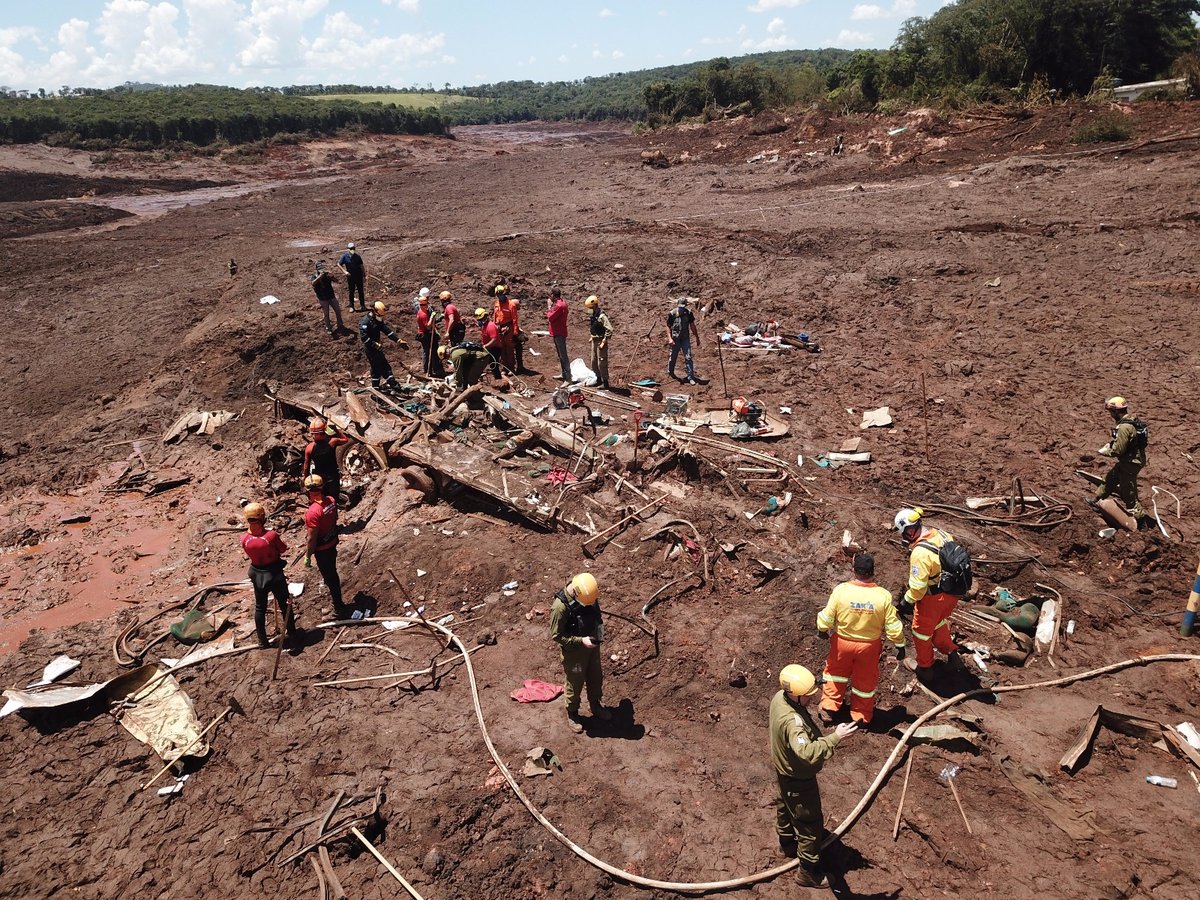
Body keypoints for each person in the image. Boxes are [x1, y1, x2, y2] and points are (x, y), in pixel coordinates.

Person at [770, 664, 857, 887]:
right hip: (799, 780)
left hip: (783, 772)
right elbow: (807, 754)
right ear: (796, 696)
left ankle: (786, 845)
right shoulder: (793, 723)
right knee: (809, 825)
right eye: (808, 696)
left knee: (785, 807)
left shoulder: (780, 697)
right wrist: (835, 737)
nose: (812, 698)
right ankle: (807, 873)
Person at [816, 553, 905, 726]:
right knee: (865, 679)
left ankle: (828, 707)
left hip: (842, 642)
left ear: (853, 570)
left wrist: (822, 629)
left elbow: (827, 616)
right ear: (873, 572)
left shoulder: (841, 591)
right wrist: (900, 644)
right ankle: (861, 715)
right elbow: (893, 626)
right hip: (869, 646)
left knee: (835, 673)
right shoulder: (883, 596)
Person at [895, 507, 965, 677]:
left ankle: (925, 668)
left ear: (909, 532)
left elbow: (918, 589)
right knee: (939, 622)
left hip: (933, 598)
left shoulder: (920, 553)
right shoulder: (941, 534)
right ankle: (952, 654)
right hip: (952, 593)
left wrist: (906, 601)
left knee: (921, 632)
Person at [549, 572, 610, 733]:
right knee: (575, 682)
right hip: (574, 652)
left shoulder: (588, 594)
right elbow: (557, 635)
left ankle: (595, 704)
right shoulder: (559, 608)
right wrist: (580, 641)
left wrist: (599, 635)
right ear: (575, 593)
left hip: (592, 645)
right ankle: (573, 713)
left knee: (595, 676)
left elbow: (597, 615)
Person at [239, 502, 301, 650]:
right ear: (262, 518)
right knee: (285, 603)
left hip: (256, 573)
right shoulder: (270, 536)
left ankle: (262, 641)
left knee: (260, 607)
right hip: (273, 573)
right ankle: (291, 632)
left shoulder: (244, 539)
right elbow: (283, 548)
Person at [1094, 396, 1147, 519]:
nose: (1110, 414)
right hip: (1132, 460)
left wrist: (1105, 452)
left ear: (1116, 412)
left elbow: (1118, 450)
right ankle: (1096, 500)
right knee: (1111, 478)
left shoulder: (1124, 427)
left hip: (1130, 463)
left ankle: (1140, 519)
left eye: (1111, 412)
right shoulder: (1132, 420)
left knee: (1128, 492)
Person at [303, 474, 347, 619]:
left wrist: (308, 555)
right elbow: (335, 519)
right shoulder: (332, 501)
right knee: (331, 575)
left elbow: (311, 538)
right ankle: (337, 604)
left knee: (331, 578)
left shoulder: (313, 512)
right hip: (332, 542)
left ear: (308, 490)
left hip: (322, 550)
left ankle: (338, 609)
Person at [303, 418, 350, 505]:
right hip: (333, 475)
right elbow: (345, 439)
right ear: (324, 430)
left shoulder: (309, 448)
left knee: (321, 500)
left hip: (319, 478)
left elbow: (306, 467)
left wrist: (305, 481)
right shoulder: (332, 441)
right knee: (333, 499)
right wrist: (335, 429)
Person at [360, 301, 404, 389]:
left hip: (376, 347)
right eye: (380, 315)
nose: (381, 317)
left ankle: (375, 387)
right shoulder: (365, 322)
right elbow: (364, 338)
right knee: (384, 366)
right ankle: (393, 384)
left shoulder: (377, 319)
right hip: (370, 349)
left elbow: (386, 330)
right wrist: (374, 344)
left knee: (375, 368)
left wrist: (397, 339)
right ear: (374, 311)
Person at [666, 297, 701, 385]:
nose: (681, 308)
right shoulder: (672, 313)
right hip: (675, 339)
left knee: (688, 357)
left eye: (683, 306)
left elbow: (692, 326)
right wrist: (670, 338)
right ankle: (670, 372)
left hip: (685, 338)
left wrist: (697, 337)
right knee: (673, 356)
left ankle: (690, 377)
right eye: (680, 306)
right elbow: (668, 326)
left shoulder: (689, 313)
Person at [309, 262, 346, 335]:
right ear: (317, 269)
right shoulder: (314, 276)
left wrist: (332, 276)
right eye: (319, 269)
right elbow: (313, 283)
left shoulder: (327, 274)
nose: (321, 270)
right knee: (326, 314)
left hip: (331, 297)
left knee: (338, 310)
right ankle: (328, 328)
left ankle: (340, 324)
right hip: (323, 298)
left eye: (322, 268)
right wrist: (320, 276)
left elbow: (337, 281)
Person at [584, 294, 612, 388]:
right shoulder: (593, 314)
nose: (589, 310)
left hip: (601, 341)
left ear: (595, 306)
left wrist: (605, 339)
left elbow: (609, 329)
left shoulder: (602, 316)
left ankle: (605, 382)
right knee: (593, 362)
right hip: (594, 340)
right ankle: (598, 379)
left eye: (590, 308)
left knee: (601, 362)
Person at [415, 294, 445, 377]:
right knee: (429, 352)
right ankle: (428, 370)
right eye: (423, 305)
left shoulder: (423, 311)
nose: (425, 306)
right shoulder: (423, 314)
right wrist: (432, 317)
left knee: (428, 351)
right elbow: (428, 326)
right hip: (425, 334)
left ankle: (431, 369)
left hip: (426, 333)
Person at [546, 286, 571, 384]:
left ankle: (568, 378)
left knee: (563, 355)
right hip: (557, 331)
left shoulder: (559, 306)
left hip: (559, 332)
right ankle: (564, 374)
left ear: (553, 295)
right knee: (561, 355)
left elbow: (550, 317)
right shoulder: (560, 303)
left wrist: (549, 307)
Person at [491, 284, 518, 372]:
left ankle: (511, 368)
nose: (500, 296)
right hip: (499, 328)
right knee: (501, 348)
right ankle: (504, 368)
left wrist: (515, 331)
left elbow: (514, 319)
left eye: (501, 294)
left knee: (509, 348)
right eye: (498, 295)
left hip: (508, 328)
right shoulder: (496, 304)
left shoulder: (511, 305)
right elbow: (495, 317)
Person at [338, 242, 367, 311]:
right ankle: (351, 306)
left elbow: (361, 266)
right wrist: (344, 271)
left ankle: (362, 305)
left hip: (358, 276)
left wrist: (364, 275)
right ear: (348, 249)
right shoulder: (345, 257)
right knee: (351, 291)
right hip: (351, 277)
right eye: (351, 248)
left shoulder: (357, 257)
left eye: (353, 248)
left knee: (360, 291)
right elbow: (338, 264)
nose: (352, 250)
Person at [476, 307, 503, 377]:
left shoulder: (490, 326)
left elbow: (494, 340)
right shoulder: (484, 326)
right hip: (489, 347)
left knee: (494, 365)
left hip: (495, 348)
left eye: (481, 319)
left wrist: (485, 346)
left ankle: (498, 379)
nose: (479, 321)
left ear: (485, 317)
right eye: (478, 320)